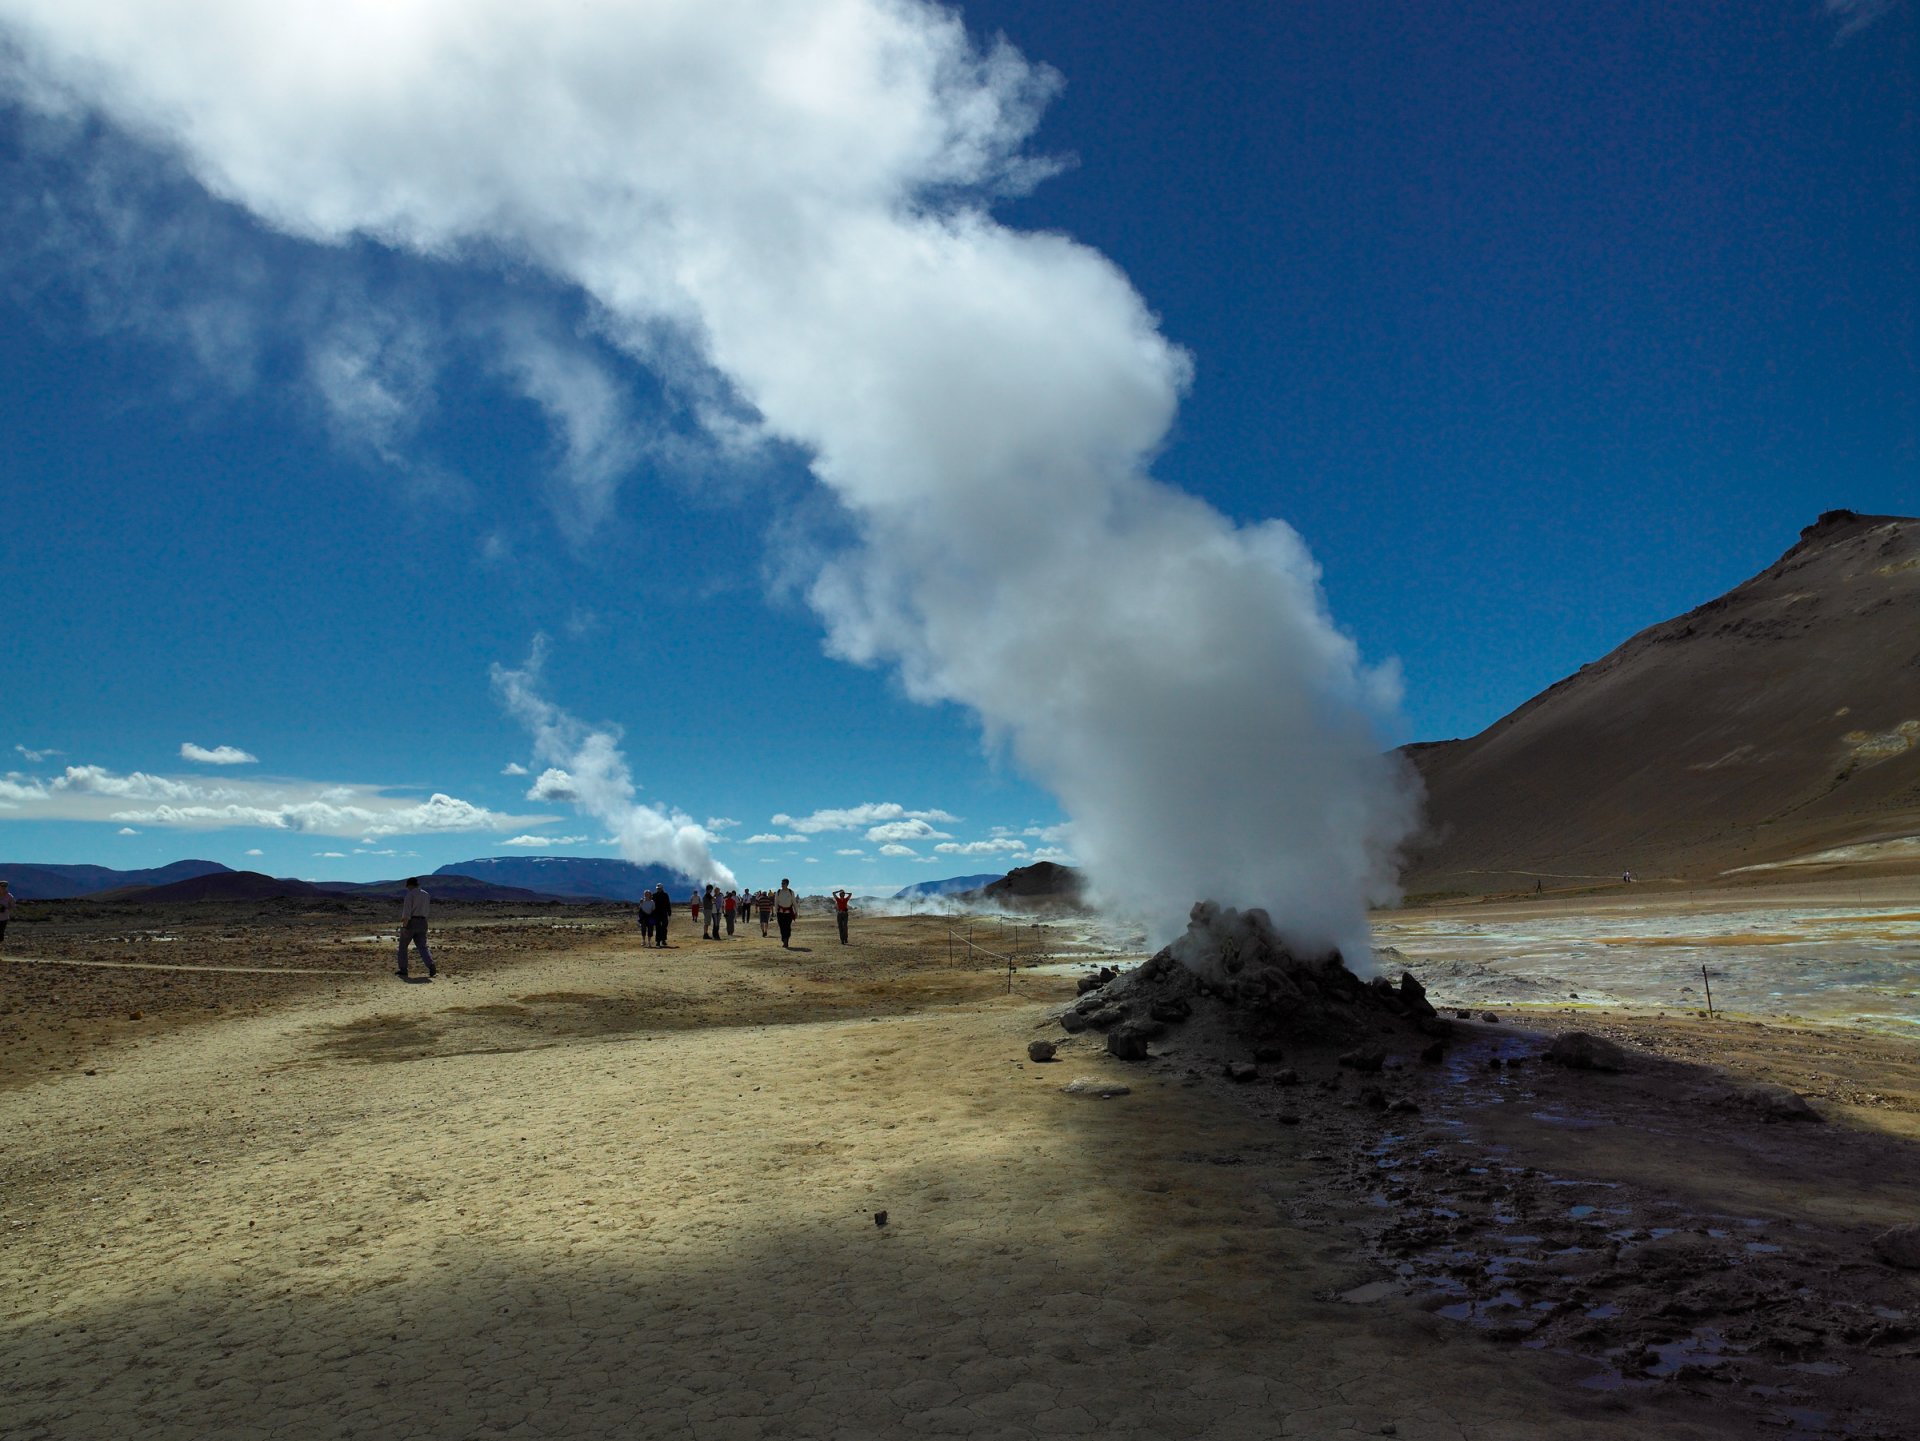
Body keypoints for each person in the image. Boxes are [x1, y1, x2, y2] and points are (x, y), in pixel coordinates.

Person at [397, 877, 435, 980]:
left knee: (403, 947)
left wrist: (404, 926)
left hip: (411, 922)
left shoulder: (410, 895)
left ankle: (403, 969)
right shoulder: (426, 894)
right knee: (422, 946)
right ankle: (431, 965)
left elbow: (407, 913)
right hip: (423, 922)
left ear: (410, 885)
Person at [774, 877, 798, 949]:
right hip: (780, 913)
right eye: (781, 883)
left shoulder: (791, 892)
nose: (782, 885)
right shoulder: (778, 892)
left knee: (787, 927)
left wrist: (796, 911)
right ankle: (784, 939)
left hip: (788, 913)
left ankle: (786, 940)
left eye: (783, 883)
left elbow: (794, 902)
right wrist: (776, 912)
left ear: (787, 884)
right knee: (782, 927)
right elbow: (776, 903)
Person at [0, 879, 12, 955]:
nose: (3, 888)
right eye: (2, 886)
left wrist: (5, 908)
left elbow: (13, 905)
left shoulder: (9, 896)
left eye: (5, 887)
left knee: (0, 934)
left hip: (3, 918)